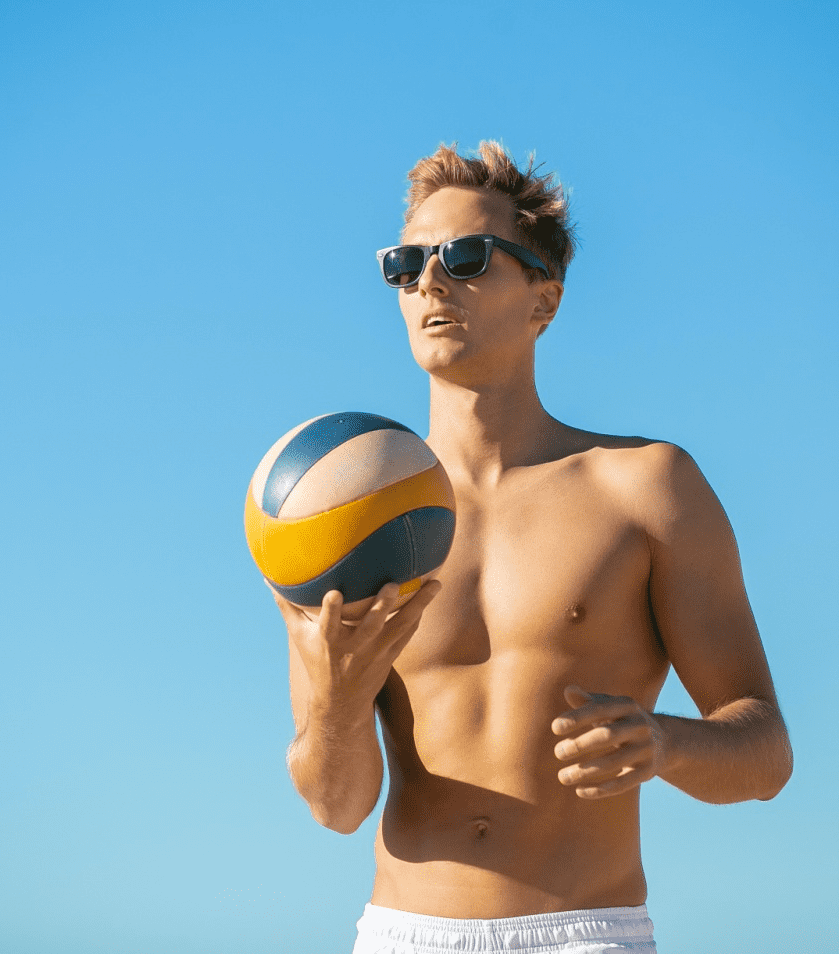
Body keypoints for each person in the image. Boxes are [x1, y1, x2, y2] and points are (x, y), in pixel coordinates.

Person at [275, 141, 793, 954]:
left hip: (586, 935)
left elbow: (765, 750)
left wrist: (662, 743)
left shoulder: (647, 488)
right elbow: (337, 807)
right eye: (406, 263)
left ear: (543, 300)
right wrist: (337, 703)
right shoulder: (345, 512)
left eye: (467, 257)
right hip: (403, 934)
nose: (430, 282)